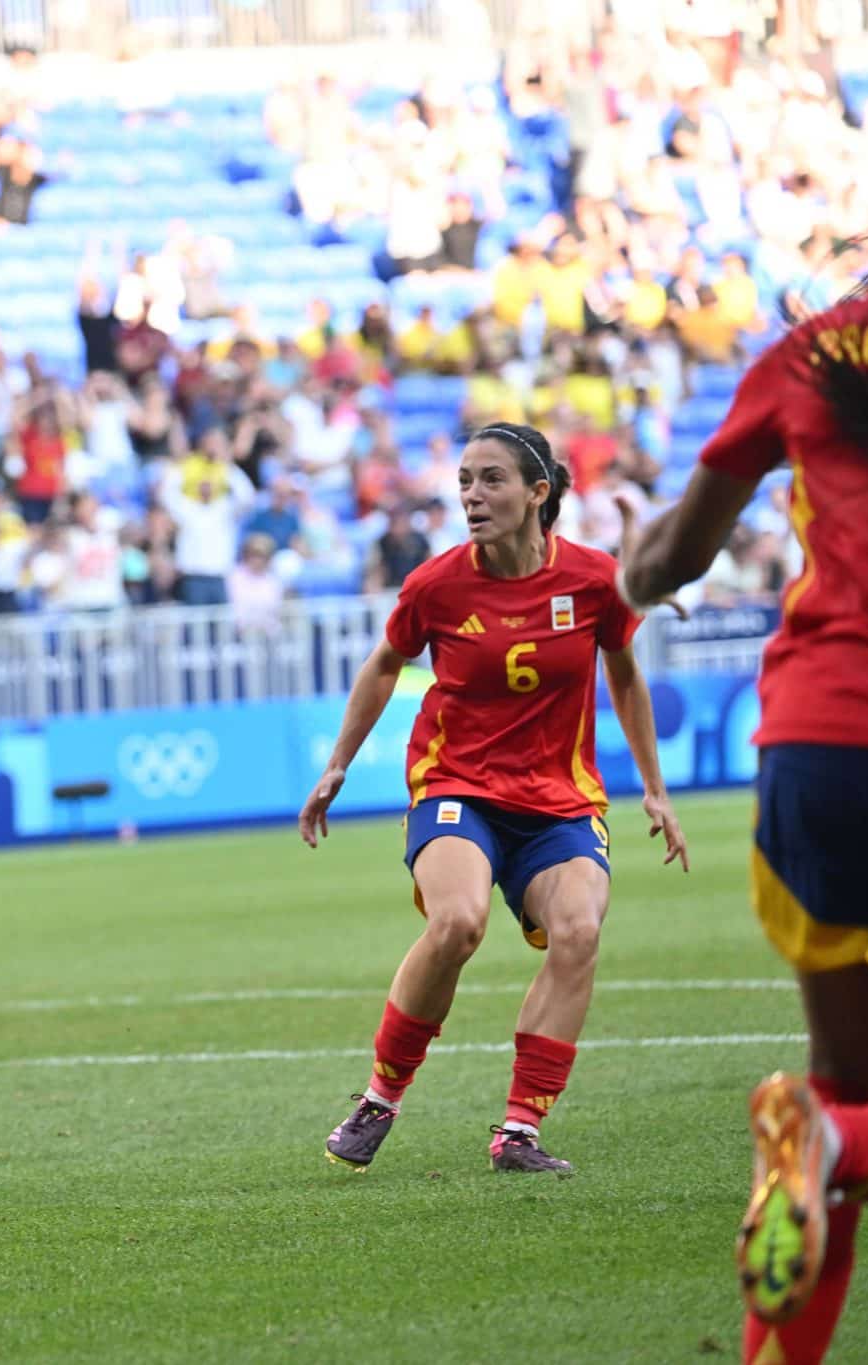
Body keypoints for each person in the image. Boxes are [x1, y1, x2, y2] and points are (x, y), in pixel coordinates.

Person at [297, 423, 688, 1177]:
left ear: (539, 493)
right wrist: (337, 764)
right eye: (465, 481)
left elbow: (626, 674)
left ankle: (519, 1130)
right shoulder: (437, 584)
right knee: (458, 919)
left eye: (491, 480)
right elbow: (385, 664)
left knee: (578, 929)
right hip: (457, 785)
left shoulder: (593, 579)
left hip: (559, 799)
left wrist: (656, 788)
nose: (472, 496)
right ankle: (380, 1097)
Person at [616, 281, 868, 1365]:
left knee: (844, 1082)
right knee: (844, 1116)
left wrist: (631, 566)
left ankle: (819, 1144)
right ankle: (827, 1141)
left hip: (820, 741)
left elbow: (674, 558)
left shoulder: (813, 350)